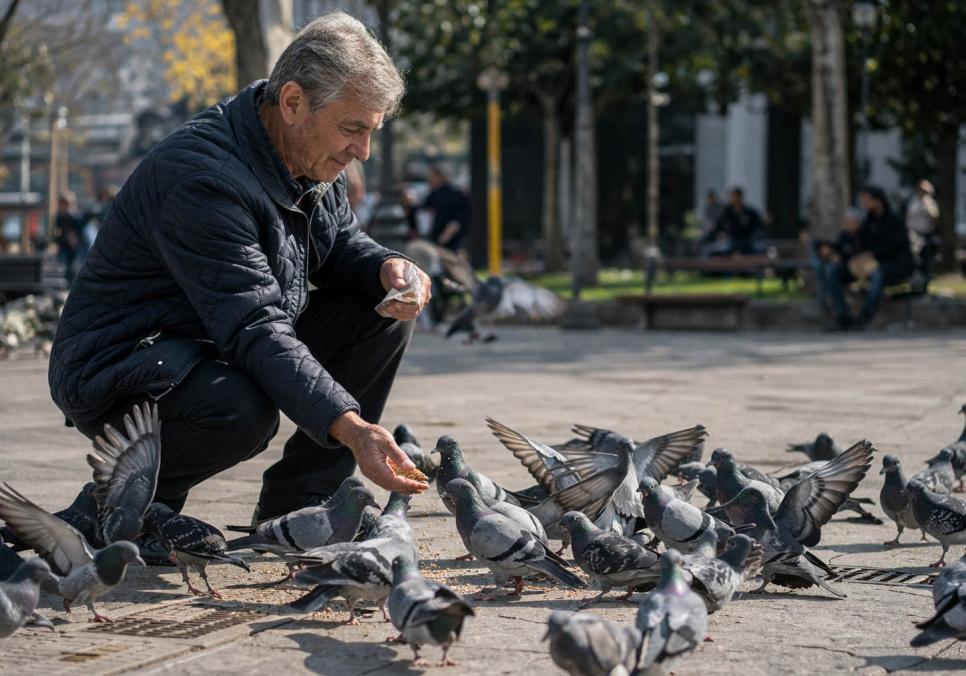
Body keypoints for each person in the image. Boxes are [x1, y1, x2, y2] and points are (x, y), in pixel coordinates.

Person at [47, 13, 432, 547]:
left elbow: (340, 244)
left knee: (379, 310)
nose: (362, 150)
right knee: (239, 411)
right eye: (352, 128)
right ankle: (118, 509)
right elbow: (254, 325)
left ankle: (302, 501)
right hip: (123, 364)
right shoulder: (202, 178)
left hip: (205, 341)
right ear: (293, 102)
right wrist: (353, 429)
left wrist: (385, 267)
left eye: (372, 130)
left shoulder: (309, 155)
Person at [815, 186, 913, 330]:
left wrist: (873, 254)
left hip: (892, 264)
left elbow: (896, 246)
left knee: (878, 276)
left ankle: (864, 318)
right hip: (865, 265)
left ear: (878, 200)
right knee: (832, 272)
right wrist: (834, 250)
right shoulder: (868, 220)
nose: (863, 204)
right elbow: (858, 245)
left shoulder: (895, 220)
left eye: (866, 200)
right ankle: (842, 316)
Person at [420, 165, 469, 252]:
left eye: (432, 177)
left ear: (440, 177)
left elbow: (456, 221)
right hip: (447, 237)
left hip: (445, 237)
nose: (429, 180)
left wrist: (443, 238)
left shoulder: (441, 194)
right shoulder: (437, 193)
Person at [702, 187, 763, 256]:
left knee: (757, 251)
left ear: (740, 197)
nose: (731, 198)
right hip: (732, 240)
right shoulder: (727, 211)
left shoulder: (750, 212)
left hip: (747, 240)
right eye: (731, 196)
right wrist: (709, 238)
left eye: (734, 196)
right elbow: (718, 226)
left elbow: (757, 226)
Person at [905, 179, 940, 279]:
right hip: (913, 233)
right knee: (914, 256)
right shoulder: (913, 201)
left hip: (926, 233)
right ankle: (915, 275)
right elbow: (908, 216)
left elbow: (935, 217)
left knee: (926, 257)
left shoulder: (930, 202)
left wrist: (928, 208)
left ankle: (926, 275)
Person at [53, 191, 85, 285]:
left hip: (74, 245)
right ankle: (67, 282)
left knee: (74, 265)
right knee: (64, 265)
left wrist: (75, 238)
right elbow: (57, 230)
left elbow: (80, 231)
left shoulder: (76, 216)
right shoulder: (59, 216)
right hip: (63, 244)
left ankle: (71, 283)